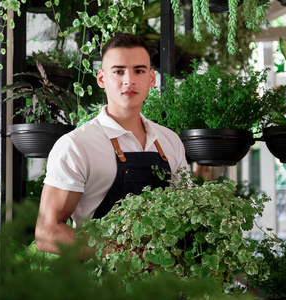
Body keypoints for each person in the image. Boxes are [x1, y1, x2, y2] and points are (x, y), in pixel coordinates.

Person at [35, 33, 188, 256]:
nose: (129, 80)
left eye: (139, 70)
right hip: (100, 286)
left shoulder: (169, 141)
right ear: (101, 79)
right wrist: (123, 252)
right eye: (118, 71)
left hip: (165, 285)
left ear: (151, 79)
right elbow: (47, 233)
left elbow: (188, 211)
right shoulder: (76, 145)